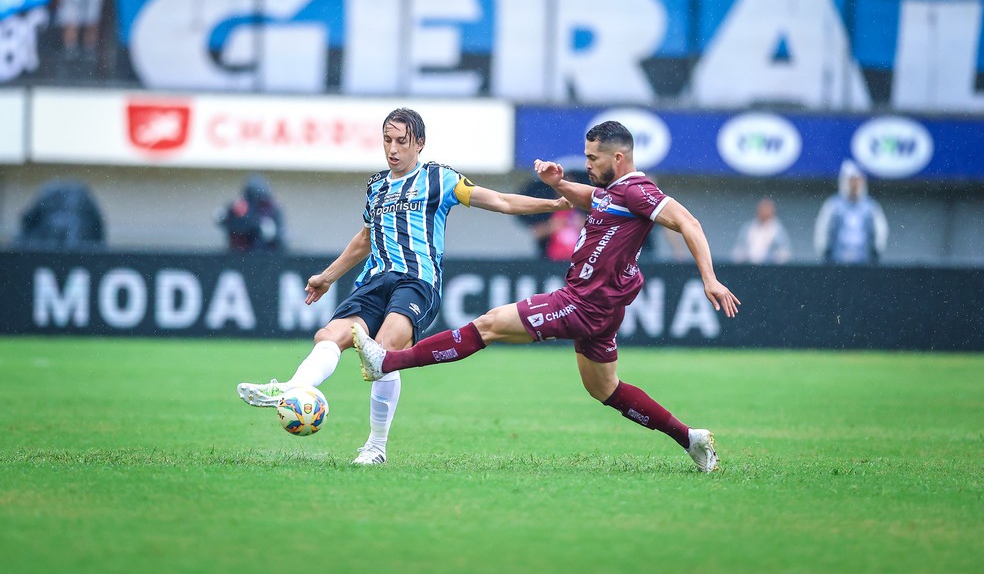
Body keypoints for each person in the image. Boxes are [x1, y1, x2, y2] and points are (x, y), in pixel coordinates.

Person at [351, 120, 741, 473]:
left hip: (583, 302)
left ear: (618, 158)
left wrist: (709, 278)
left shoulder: (640, 191)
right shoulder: (615, 192)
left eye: (593, 157)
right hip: (600, 309)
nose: (586, 164)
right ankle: (690, 439)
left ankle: (388, 360)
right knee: (605, 389)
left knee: (488, 325)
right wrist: (557, 183)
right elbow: (588, 197)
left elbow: (688, 222)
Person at [237, 108, 570, 465]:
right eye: (387, 140)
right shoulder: (376, 186)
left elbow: (501, 201)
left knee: (385, 351)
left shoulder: (440, 179)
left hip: (417, 280)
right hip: (374, 279)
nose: (392, 149)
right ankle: (294, 389)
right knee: (329, 335)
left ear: (420, 144)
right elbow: (365, 238)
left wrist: (553, 203)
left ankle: (375, 448)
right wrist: (327, 276)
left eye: (401, 141)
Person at [814, 159, 889, 264]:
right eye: (851, 181)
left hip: (864, 263)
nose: (854, 185)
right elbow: (823, 230)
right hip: (837, 263)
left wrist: (876, 252)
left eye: (857, 181)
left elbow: (880, 232)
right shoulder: (833, 205)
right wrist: (824, 252)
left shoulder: (871, 207)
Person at [217, 174, 287, 253]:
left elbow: (278, 238)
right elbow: (221, 220)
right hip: (239, 255)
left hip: (266, 255)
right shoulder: (239, 208)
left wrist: (262, 226)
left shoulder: (272, 209)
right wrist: (235, 214)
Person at [732, 197, 792, 264]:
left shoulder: (778, 230)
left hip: (770, 267)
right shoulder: (748, 227)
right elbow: (738, 249)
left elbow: (785, 252)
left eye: (767, 209)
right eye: (762, 209)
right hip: (749, 266)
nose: (764, 212)